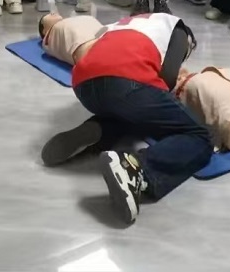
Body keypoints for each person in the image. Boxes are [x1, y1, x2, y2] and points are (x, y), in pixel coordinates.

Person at [39, 12, 213, 225]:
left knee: (133, 114)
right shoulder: (178, 28)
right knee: (199, 136)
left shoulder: (124, 23)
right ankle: (137, 169)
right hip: (127, 80)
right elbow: (167, 78)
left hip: (84, 86)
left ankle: (96, 130)